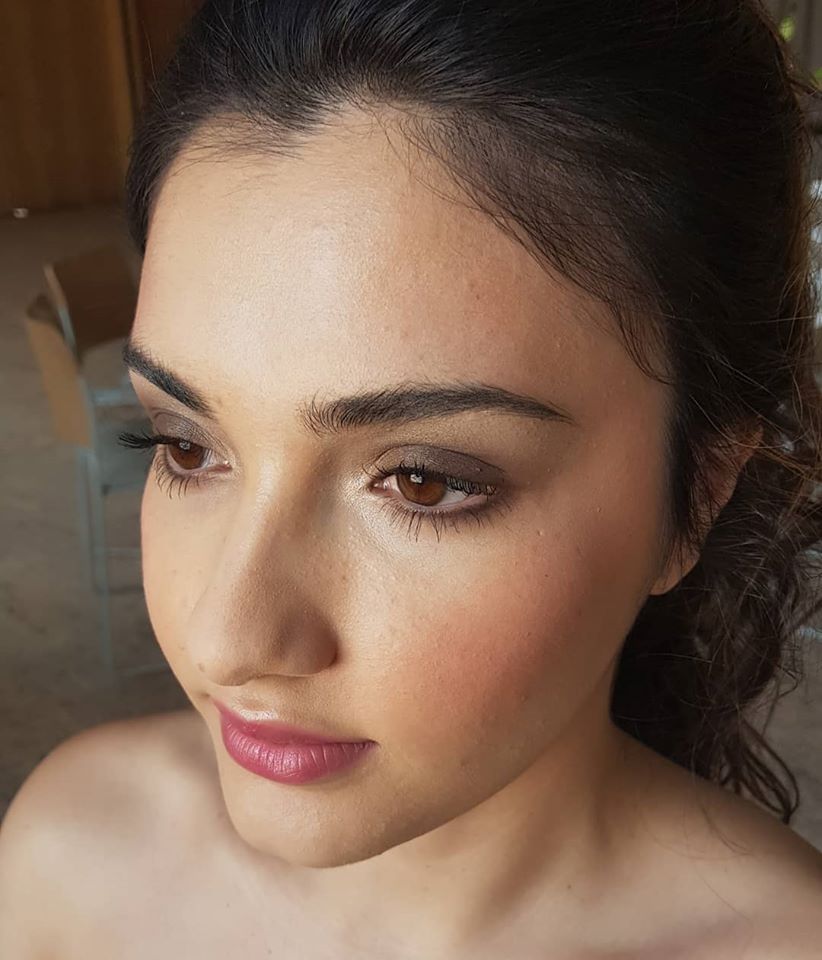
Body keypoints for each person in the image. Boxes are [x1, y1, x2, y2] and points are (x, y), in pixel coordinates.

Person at [2, 0, 822, 956]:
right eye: (186, 447)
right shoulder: (69, 859)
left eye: (423, 483)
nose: (229, 639)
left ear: (701, 494)